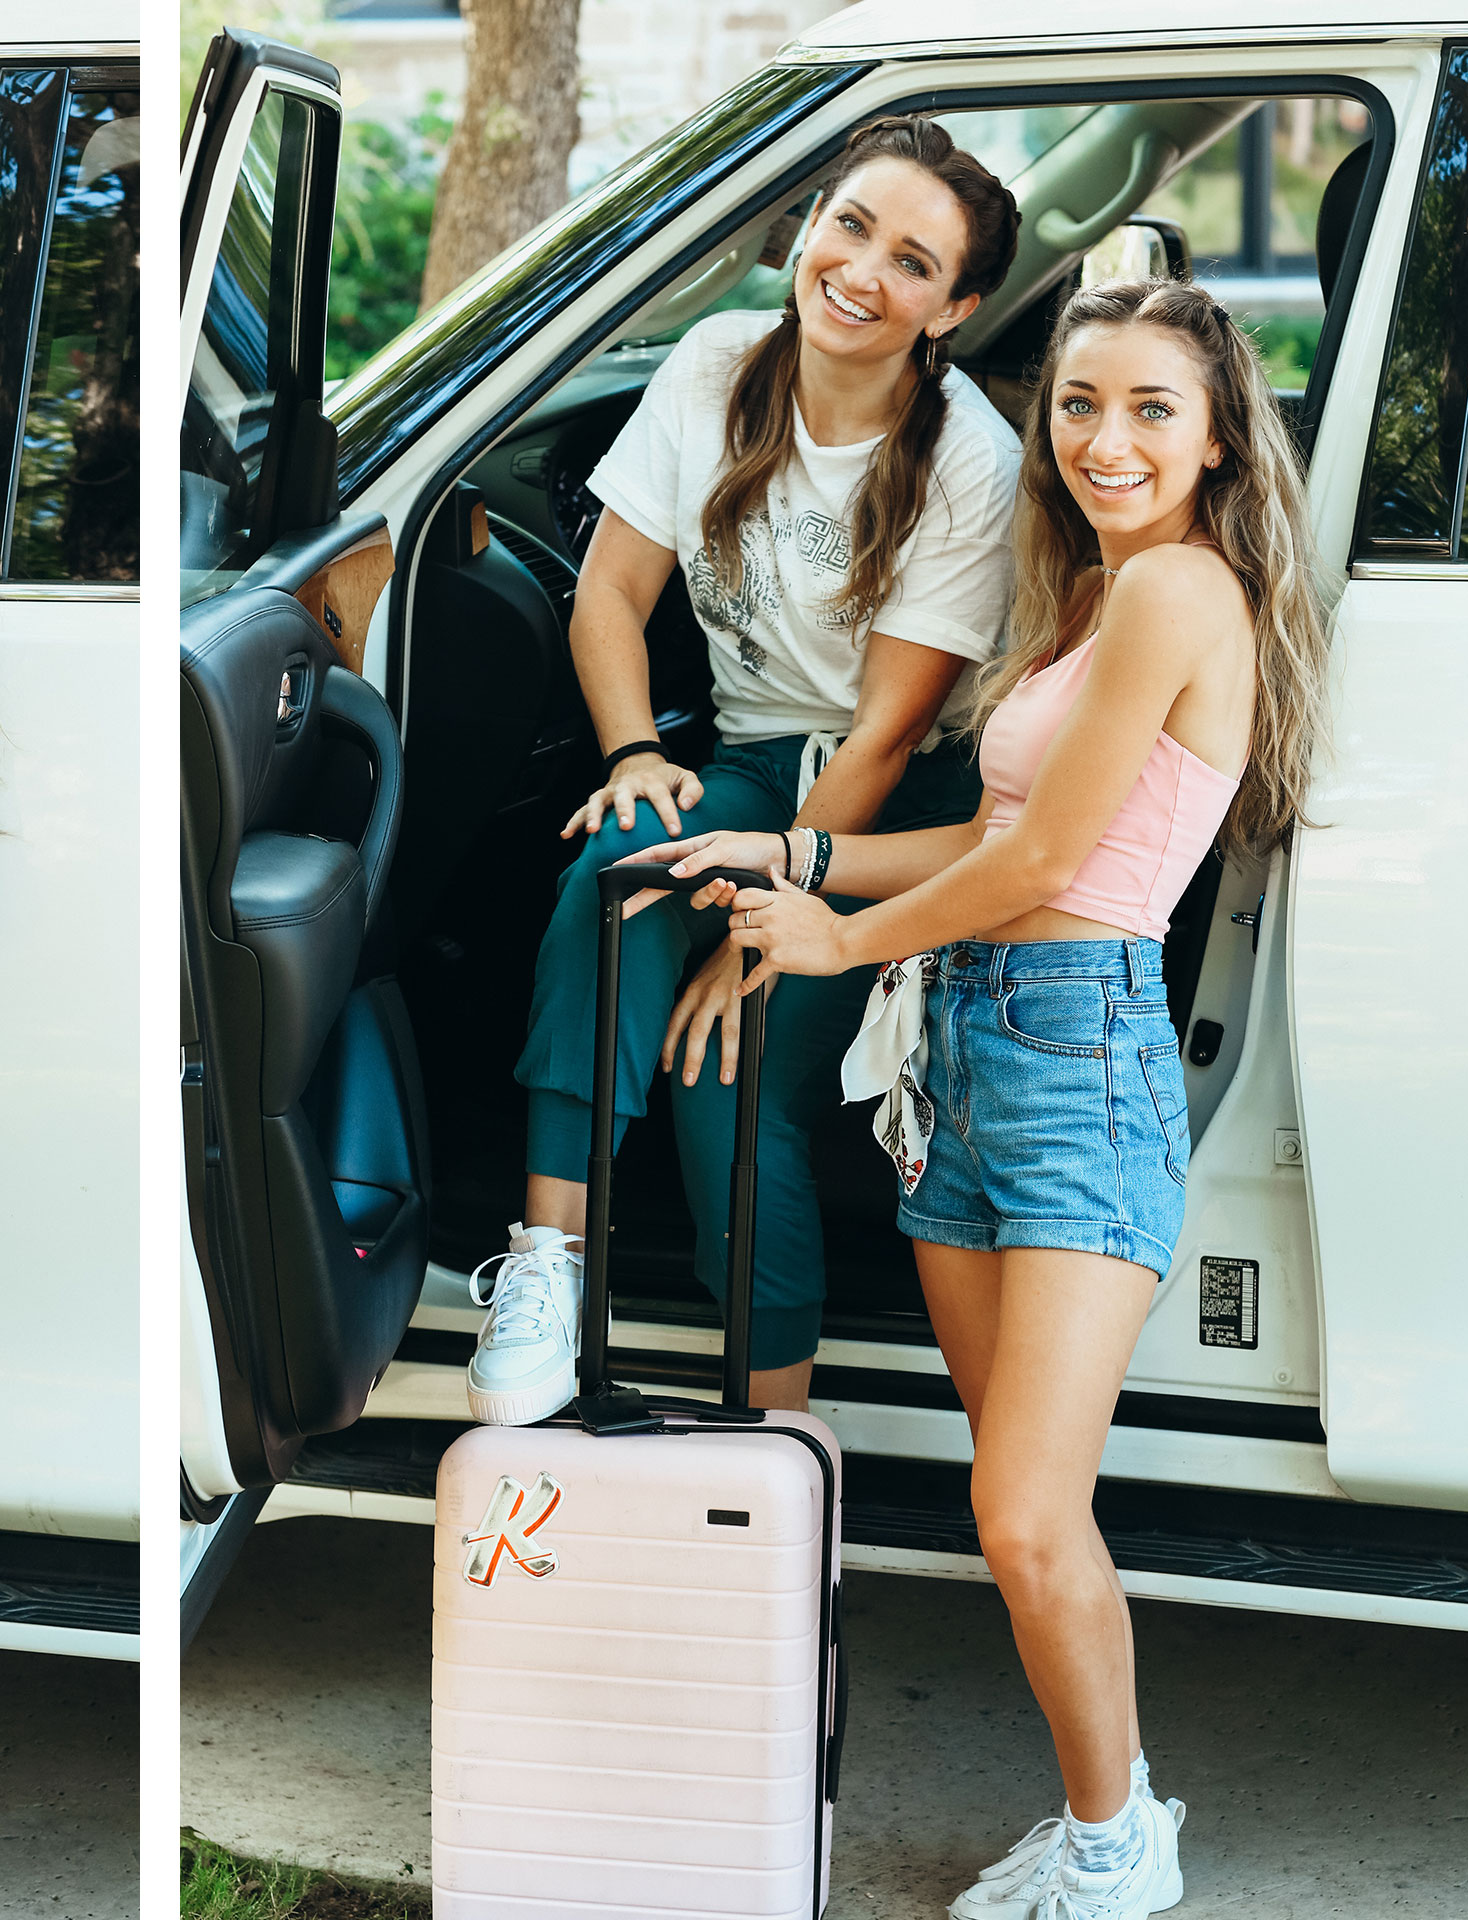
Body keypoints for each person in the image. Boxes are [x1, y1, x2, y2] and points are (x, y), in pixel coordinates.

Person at [647, 276, 1331, 1919]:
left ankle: (1119, 1844)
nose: (1105, 438)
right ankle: (1103, 1822)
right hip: (966, 1053)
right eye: (1079, 403)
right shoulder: (1093, 603)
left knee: (1024, 1519)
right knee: (1016, 1499)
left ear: (1223, 433)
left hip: (1077, 1063)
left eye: (1153, 409)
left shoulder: (1177, 591)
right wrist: (795, 849)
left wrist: (830, 942)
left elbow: (1046, 862)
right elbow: (976, 839)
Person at [469, 115, 1023, 1427]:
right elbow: (608, 589)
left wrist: (758, 941)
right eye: (851, 226)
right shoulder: (720, 365)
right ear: (811, 220)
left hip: (891, 809)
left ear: (955, 307)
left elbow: (887, 735)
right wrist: (635, 755)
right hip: (751, 761)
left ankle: (773, 1438)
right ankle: (547, 1268)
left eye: (912, 261)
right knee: (617, 871)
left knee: (732, 1072)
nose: (861, 271)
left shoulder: (968, 461)